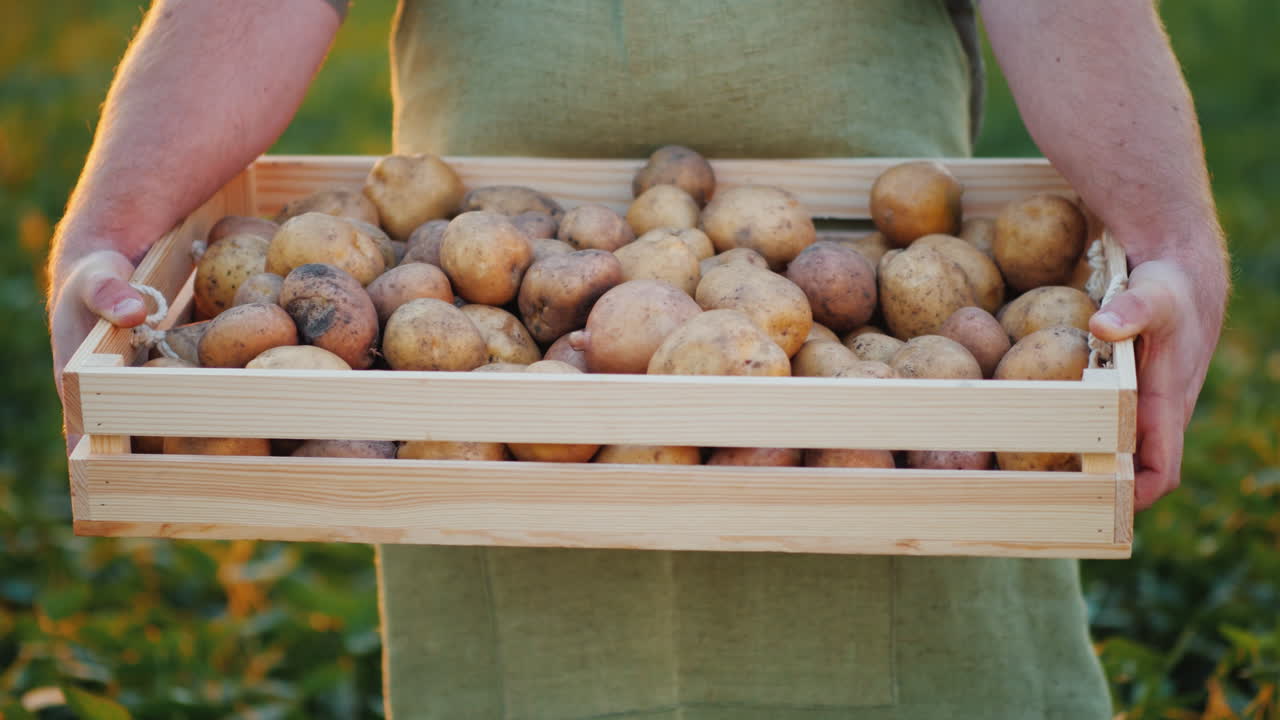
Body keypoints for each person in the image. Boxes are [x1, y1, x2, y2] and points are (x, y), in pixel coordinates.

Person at [47, 1, 1229, 717]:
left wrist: (1169, 229)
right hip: (487, 408)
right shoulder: (464, 304)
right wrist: (118, 219)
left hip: (875, 338)